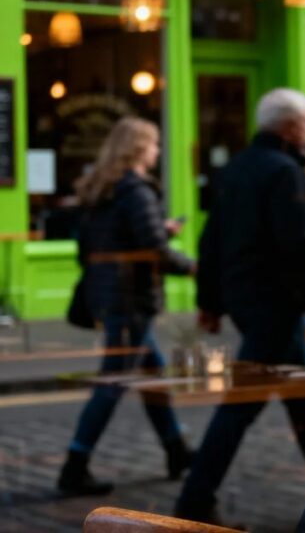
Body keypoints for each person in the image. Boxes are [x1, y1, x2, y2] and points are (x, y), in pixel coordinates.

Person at [176, 88, 305, 524]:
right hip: (277, 302)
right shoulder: (284, 171)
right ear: (291, 127)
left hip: (246, 300)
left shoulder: (237, 167)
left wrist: (210, 302)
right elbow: (299, 245)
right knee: (241, 404)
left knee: (302, 401)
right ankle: (193, 501)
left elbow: (211, 238)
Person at [58, 117, 195, 496]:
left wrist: (156, 231)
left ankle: (176, 451)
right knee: (112, 382)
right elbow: (153, 250)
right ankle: (75, 464)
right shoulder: (136, 192)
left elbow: (95, 246)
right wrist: (192, 267)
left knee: (152, 373)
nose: (157, 151)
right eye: (153, 145)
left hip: (108, 295)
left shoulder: (102, 190)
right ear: (138, 148)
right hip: (130, 298)